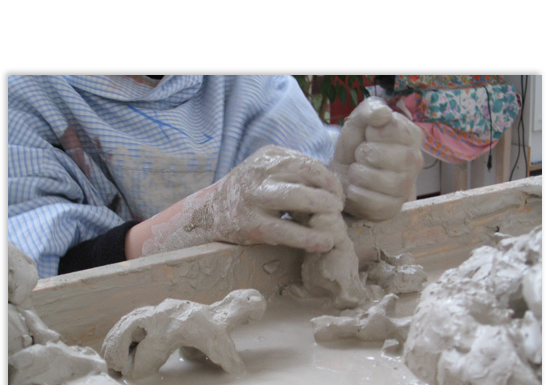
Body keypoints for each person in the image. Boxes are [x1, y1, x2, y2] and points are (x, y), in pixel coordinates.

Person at [8, 75, 423, 279]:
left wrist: (354, 187)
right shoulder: (24, 94)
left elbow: (317, 207)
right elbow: (34, 278)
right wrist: (196, 222)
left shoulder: (247, 78)